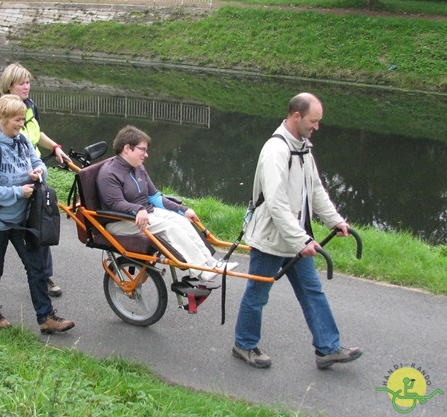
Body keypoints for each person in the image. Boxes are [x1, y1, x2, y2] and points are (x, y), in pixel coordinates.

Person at [232, 92, 362, 370]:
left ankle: (327, 348)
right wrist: (300, 239)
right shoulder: (275, 150)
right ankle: (244, 345)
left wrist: (335, 221)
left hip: (296, 238)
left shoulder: (302, 147)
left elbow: (315, 190)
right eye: (313, 121)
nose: (317, 127)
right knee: (258, 295)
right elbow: (277, 204)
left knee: (313, 291)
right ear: (296, 116)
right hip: (271, 240)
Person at [0, 94, 75, 333]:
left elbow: (40, 163)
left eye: (23, 120)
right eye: (17, 120)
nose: (21, 124)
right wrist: (18, 192)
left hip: (22, 219)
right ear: (3, 118)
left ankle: (46, 317)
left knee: (36, 266)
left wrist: (39, 171)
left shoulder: (23, 141)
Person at [0, 63, 66, 294]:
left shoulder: (30, 107)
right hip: (9, 185)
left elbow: (34, 134)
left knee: (39, 224)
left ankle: (44, 275)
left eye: (28, 82)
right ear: (9, 85)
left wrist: (55, 147)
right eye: (22, 83)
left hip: (33, 176)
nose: (27, 86)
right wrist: (16, 184)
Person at [97, 125, 238, 283]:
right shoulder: (108, 174)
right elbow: (115, 203)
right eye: (142, 150)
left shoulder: (138, 167)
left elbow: (155, 197)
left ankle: (211, 263)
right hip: (120, 221)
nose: (146, 154)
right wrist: (138, 209)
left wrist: (182, 210)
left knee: (182, 221)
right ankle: (200, 270)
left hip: (144, 214)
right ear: (127, 148)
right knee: (169, 227)